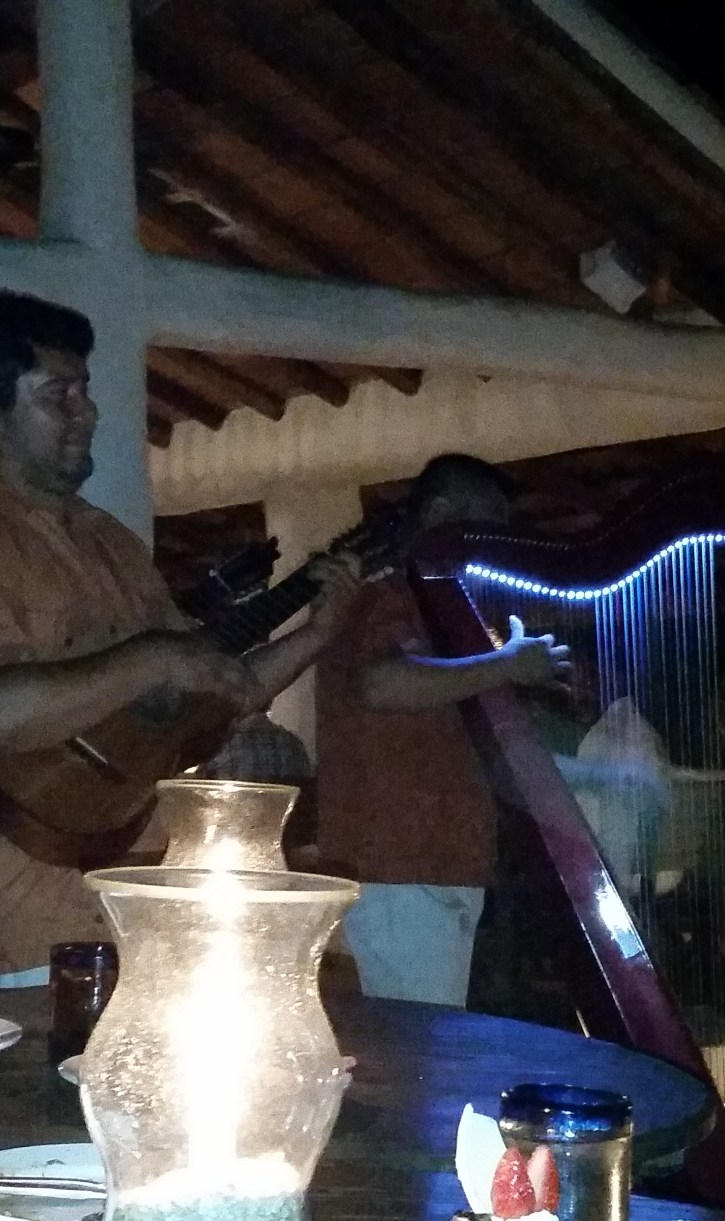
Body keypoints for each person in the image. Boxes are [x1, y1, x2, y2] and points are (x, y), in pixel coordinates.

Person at [0, 290, 358, 978]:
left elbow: (206, 696)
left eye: (85, 391)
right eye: (58, 395)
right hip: (20, 917)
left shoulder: (113, 544)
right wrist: (151, 659)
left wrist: (315, 634)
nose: (87, 413)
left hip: (137, 889)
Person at [316, 452, 570, 1006]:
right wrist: (506, 665)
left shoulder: (443, 613)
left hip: (430, 866)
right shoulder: (385, 595)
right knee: (419, 1048)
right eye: (488, 524)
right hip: (400, 864)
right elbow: (379, 683)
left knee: (422, 1042)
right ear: (441, 513)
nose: (497, 542)